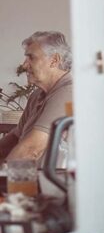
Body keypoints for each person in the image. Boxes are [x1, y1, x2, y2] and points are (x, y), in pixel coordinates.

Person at [0, 31, 73, 165]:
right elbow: (15, 137)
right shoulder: (36, 95)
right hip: (34, 179)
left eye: (31, 58)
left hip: (55, 183)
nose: (24, 65)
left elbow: (32, 149)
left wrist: (4, 173)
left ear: (54, 60)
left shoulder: (68, 92)